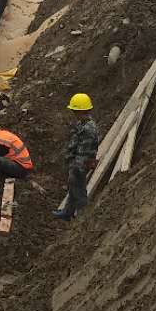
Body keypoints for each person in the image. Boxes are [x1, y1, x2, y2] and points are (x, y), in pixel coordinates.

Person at [53, 93, 99, 221]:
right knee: (74, 187)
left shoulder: (89, 129)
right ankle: (68, 212)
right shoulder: (82, 124)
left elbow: (84, 151)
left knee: (79, 191)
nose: (73, 114)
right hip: (77, 162)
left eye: (75, 111)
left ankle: (84, 217)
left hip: (80, 164)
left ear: (81, 111)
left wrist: (76, 168)